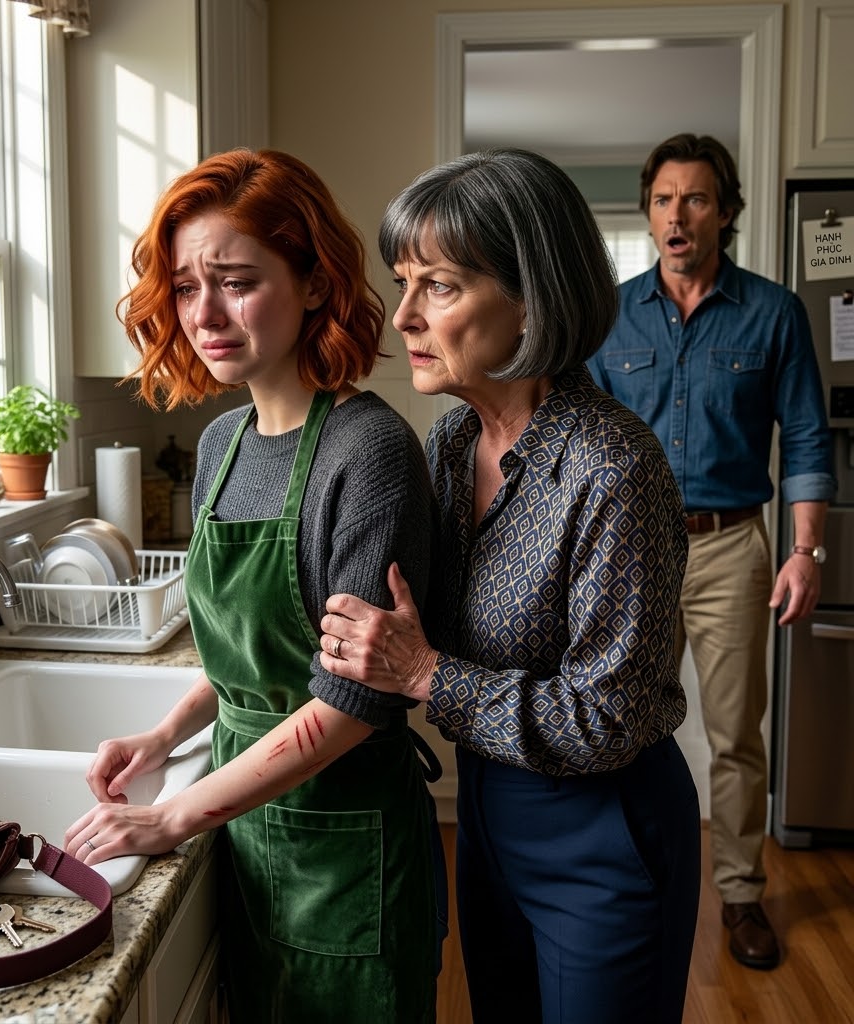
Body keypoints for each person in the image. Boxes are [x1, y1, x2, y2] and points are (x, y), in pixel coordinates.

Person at [319, 148, 701, 1024]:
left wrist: (427, 674)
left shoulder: (614, 467)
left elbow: (605, 720)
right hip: (488, 812)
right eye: (403, 283)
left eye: (439, 286)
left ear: (532, 298)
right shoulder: (451, 445)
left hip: (604, 828)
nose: (404, 315)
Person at [63, 148, 442, 1022]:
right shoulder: (221, 445)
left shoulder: (371, 454)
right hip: (243, 825)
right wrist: (164, 735)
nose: (205, 313)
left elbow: (351, 703)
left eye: (236, 282)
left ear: (314, 283)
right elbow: (249, 651)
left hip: (344, 839)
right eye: (186, 287)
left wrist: (172, 818)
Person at [587, 133, 836, 971]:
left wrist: (805, 552)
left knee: (734, 735)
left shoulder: (775, 313)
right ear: (648, 212)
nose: (677, 215)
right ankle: (628, 877)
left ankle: (739, 894)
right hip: (634, 550)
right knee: (623, 723)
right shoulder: (610, 315)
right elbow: (584, 438)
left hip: (734, 548)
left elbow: (807, 437)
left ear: (724, 212)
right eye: (663, 199)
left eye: (695, 199)